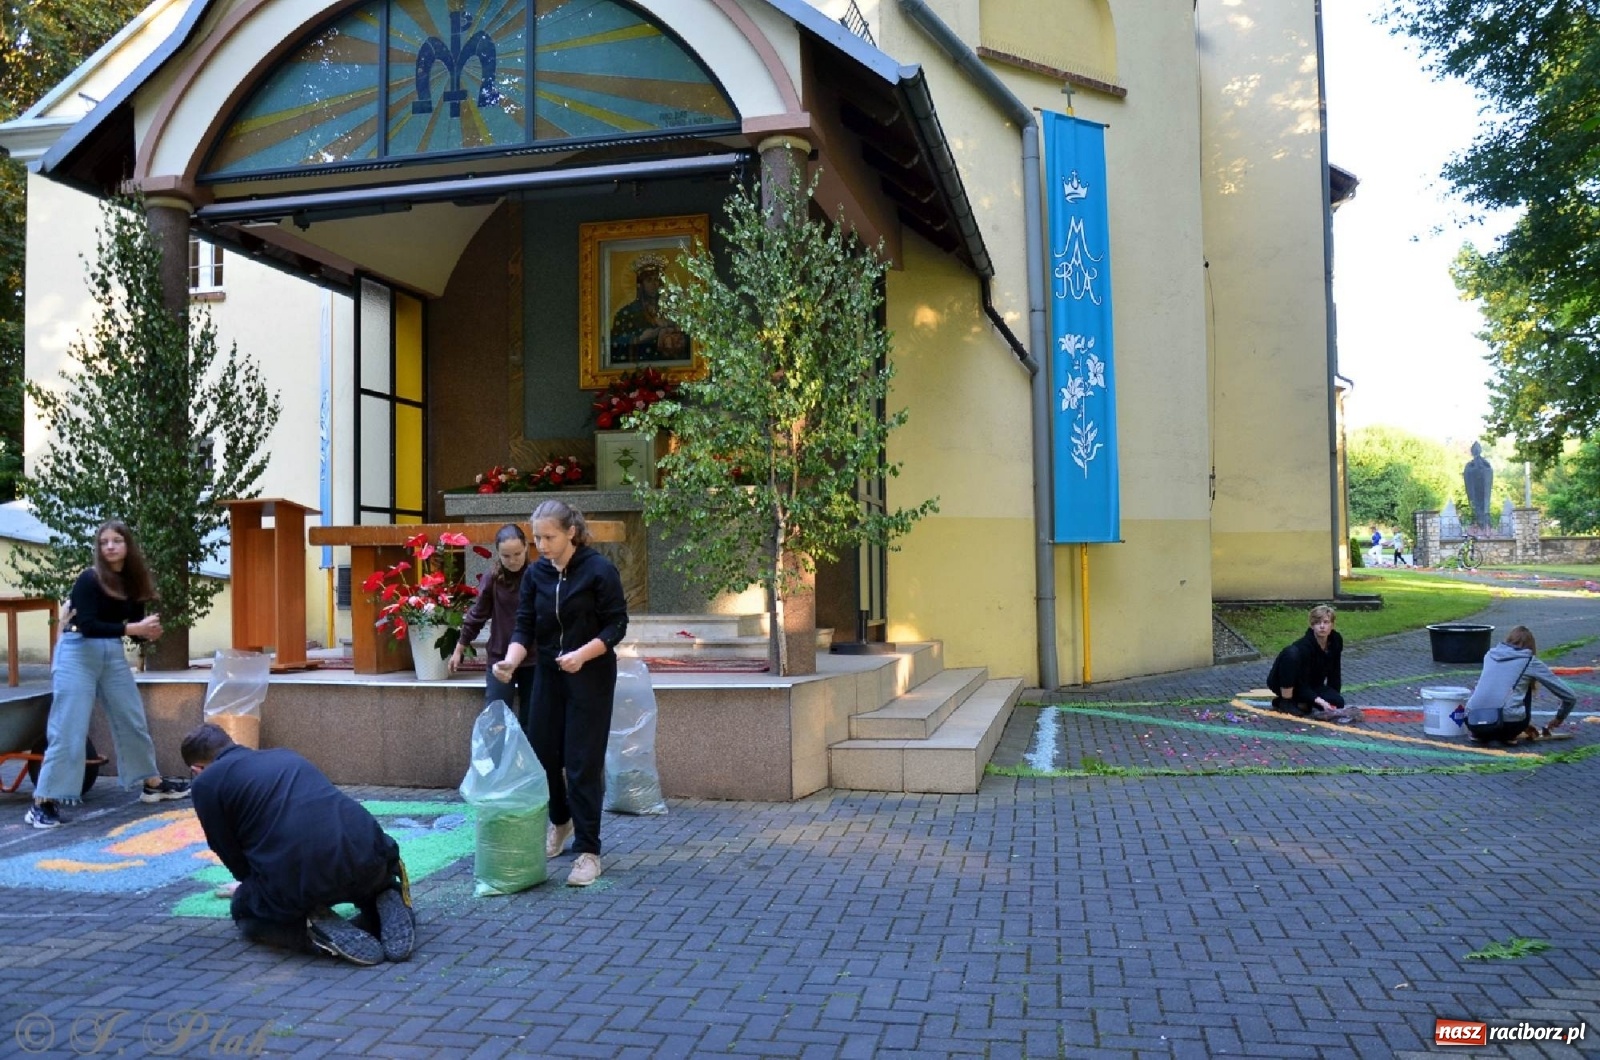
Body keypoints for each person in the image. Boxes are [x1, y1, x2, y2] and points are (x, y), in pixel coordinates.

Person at [181, 722, 416, 965]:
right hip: (371, 855)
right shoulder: (285, 755)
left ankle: (311, 933)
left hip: (302, 878)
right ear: (232, 742)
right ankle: (384, 895)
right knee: (360, 880)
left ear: (197, 768)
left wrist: (252, 886)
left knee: (244, 909)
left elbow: (226, 848)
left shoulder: (206, 783)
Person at [492, 500, 628, 887]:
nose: (542, 545)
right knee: (542, 755)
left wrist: (583, 655)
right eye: (537, 538)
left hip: (591, 676)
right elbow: (525, 627)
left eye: (549, 537)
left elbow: (617, 624)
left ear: (571, 532)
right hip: (549, 675)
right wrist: (511, 661)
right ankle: (561, 820)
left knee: (582, 763)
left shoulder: (600, 570)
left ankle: (588, 851)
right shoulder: (536, 574)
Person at [26, 520, 190, 829]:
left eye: (117, 540)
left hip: (111, 652)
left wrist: (149, 634)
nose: (110, 547)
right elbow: (87, 624)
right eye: (104, 542)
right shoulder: (90, 579)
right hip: (77, 650)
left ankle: (151, 783)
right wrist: (133, 629)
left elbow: (135, 630)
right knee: (68, 728)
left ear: (128, 545)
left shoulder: (134, 582)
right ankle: (43, 801)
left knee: (132, 718)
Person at [450, 524, 535, 731]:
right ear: (497, 553)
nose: (513, 560)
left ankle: (533, 763)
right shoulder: (492, 579)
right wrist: (460, 646)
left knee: (533, 719)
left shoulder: (537, 576)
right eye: (506, 556)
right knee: (496, 719)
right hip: (500, 656)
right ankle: (497, 763)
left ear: (526, 548)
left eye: (517, 554)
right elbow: (477, 615)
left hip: (534, 657)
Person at [1463, 626, 1579, 745]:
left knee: (1504, 685)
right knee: (1525, 685)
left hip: (1472, 720)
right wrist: (1559, 718)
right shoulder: (1529, 661)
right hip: (1507, 726)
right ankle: (1508, 736)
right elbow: (1570, 696)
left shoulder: (1489, 655)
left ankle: (1480, 735)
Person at [1265, 604, 1354, 721]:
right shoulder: (1304, 646)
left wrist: (1333, 696)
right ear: (1312, 626)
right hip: (1287, 682)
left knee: (1338, 702)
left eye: (1326, 622)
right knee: (1291, 653)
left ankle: (1294, 702)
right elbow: (1301, 682)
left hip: (1312, 684)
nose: (1322, 626)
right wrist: (1320, 701)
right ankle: (1286, 701)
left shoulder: (1336, 640)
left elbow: (1335, 670)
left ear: (1332, 624)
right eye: (1317, 623)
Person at [608, 252, 689, 365]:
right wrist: (639, 339)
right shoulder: (627, 313)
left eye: (657, 280)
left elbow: (690, 338)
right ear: (640, 285)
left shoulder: (673, 310)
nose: (654, 284)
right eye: (649, 280)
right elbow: (614, 344)